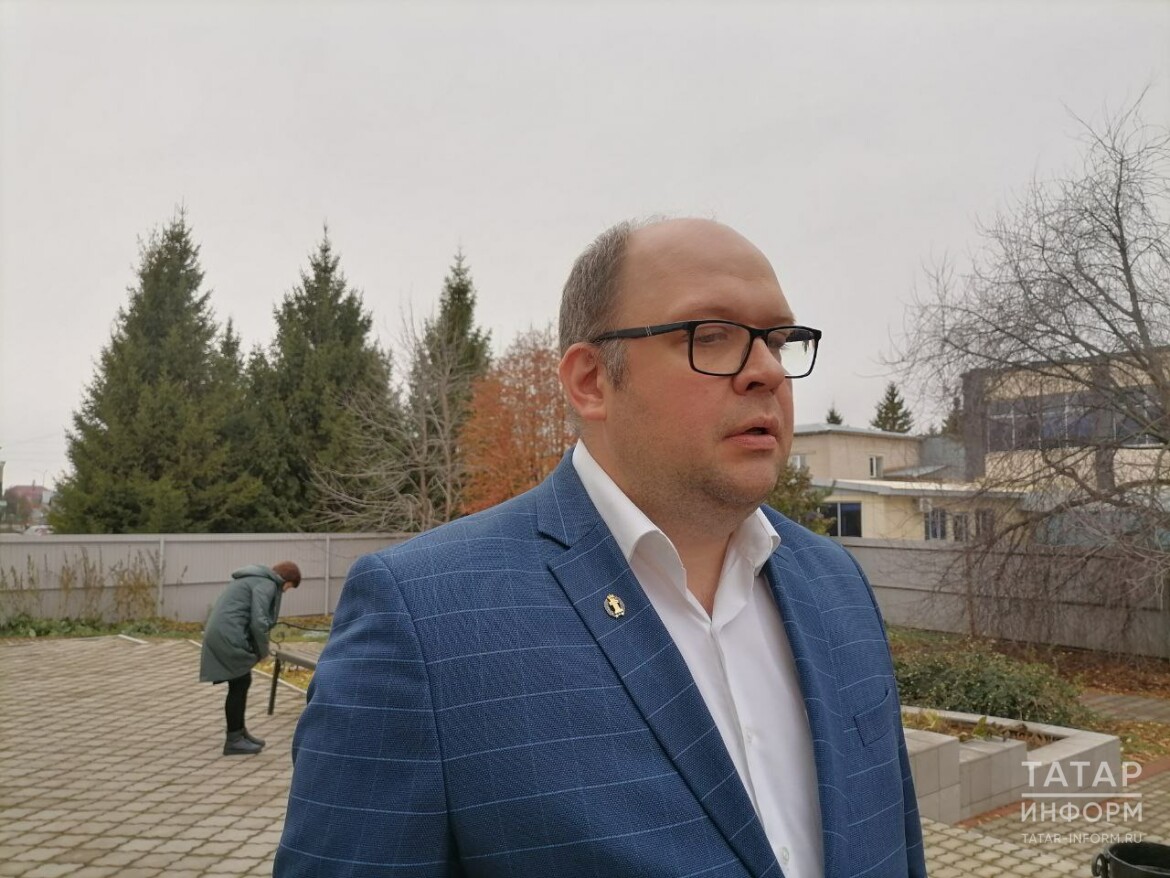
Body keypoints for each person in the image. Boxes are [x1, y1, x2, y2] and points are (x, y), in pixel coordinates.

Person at [276, 218, 925, 877]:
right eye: (712, 336)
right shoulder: (423, 620)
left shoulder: (837, 583)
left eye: (779, 341)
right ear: (590, 381)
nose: (766, 371)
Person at [200, 561, 301, 756]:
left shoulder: (254, 579)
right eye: (289, 587)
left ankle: (239, 733)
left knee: (240, 681)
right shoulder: (267, 584)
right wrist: (263, 651)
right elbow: (258, 621)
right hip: (229, 634)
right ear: (286, 580)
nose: (286, 591)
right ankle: (234, 740)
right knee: (239, 683)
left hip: (222, 632)